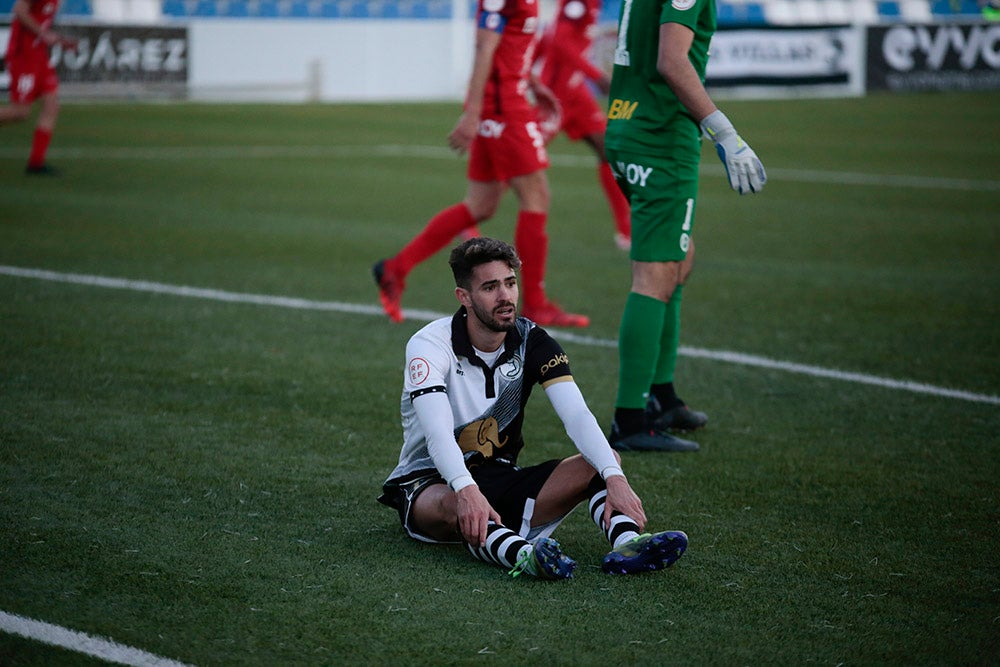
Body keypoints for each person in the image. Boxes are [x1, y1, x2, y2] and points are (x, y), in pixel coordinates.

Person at [377, 237, 688, 579]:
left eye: (510, 284)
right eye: (490, 287)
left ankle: (628, 544)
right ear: (464, 297)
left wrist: (615, 479)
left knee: (604, 460)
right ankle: (526, 557)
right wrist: (465, 488)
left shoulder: (532, 340)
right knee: (456, 501)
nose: (506, 297)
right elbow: (437, 434)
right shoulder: (429, 346)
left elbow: (576, 414)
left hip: (500, 477)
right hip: (430, 484)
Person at [603, 0, 766, 452]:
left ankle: (661, 395)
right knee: (654, 276)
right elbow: (672, 61)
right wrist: (724, 132)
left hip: (626, 126)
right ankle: (630, 419)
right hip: (658, 137)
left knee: (679, 258)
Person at [373, 0, 590, 329]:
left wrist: (530, 81)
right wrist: (473, 113)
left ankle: (396, 269)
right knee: (536, 196)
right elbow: (485, 44)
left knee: (481, 204)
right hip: (503, 108)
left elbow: (510, 43)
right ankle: (536, 303)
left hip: (507, 100)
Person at [535, 0, 633, 251]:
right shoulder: (577, 3)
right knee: (522, 161)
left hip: (576, 93)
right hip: (556, 96)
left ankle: (626, 231)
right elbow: (558, 41)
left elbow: (551, 37)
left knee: (608, 150)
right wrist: (596, 75)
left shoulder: (592, 4)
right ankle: (476, 210)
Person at [0, 0, 77, 175]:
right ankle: (36, 163)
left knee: (51, 105)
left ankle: (36, 163)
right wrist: (43, 33)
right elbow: (19, 9)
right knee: (20, 112)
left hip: (39, 55)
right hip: (23, 55)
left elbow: (42, 20)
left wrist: (60, 40)